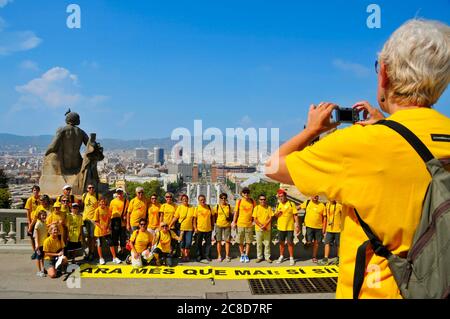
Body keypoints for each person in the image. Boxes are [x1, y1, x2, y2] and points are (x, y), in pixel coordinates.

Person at [265, 19, 450, 298]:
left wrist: (313, 129)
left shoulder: (361, 145)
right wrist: (390, 123)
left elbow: (272, 166)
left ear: (384, 73)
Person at [274, 189, 299, 265]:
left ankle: (291, 257)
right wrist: (277, 213)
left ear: (285, 196)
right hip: (280, 227)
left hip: (289, 227)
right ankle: (281, 256)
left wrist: (297, 225)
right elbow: (275, 216)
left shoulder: (291, 204)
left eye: (282, 196)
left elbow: (295, 215)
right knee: (281, 243)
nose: (281, 198)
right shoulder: (278, 204)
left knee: (290, 243)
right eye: (279, 197)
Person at [94, 198, 121, 265]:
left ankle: (114, 257)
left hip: (106, 230)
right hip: (99, 230)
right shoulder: (97, 210)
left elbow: (109, 219)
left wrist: (108, 226)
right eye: (101, 202)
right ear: (99, 203)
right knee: (99, 244)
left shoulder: (108, 209)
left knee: (110, 243)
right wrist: (102, 227)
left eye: (104, 202)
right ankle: (101, 258)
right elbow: (96, 221)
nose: (102, 203)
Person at [232, 187, 256, 263]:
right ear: (242, 194)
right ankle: (242, 254)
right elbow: (236, 213)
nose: (246, 194)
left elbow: (255, 212)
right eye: (244, 193)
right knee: (240, 241)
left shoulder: (252, 201)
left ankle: (246, 255)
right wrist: (234, 222)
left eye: (247, 192)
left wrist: (254, 221)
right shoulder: (239, 202)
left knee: (248, 241)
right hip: (240, 224)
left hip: (249, 224)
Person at [299, 195, 325, 263]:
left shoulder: (322, 205)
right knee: (309, 241)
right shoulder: (307, 202)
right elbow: (298, 207)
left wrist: (324, 228)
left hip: (319, 227)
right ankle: (307, 244)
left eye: (317, 196)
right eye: (314, 196)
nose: (315, 197)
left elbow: (325, 217)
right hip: (309, 226)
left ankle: (314, 256)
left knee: (316, 243)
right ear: (311, 196)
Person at [170, 194, 194, 262]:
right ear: (181, 201)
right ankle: (183, 256)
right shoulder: (180, 207)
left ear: (188, 199)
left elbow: (194, 218)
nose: (185, 200)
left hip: (189, 228)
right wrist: (170, 225)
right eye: (183, 199)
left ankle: (187, 255)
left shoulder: (192, 207)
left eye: (186, 199)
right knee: (182, 243)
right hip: (181, 229)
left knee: (188, 243)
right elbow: (175, 217)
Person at [319, 200, 343, 265]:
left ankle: (339, 258)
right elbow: (325, 216)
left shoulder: (339, 205)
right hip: (329, 229)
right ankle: (325, 259)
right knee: (327, 243)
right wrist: (324, 228)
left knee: (338, 245)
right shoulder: (327, 205)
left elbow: (344, 215)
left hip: (338, 229)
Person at [193, 194, 215, 262]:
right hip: (199, 229)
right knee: (198, 243)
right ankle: (199, 256)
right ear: (198, 201)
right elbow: (194, 219)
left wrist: (212, 225)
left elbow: (213, 217)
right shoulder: (197, 208)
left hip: (208, 229)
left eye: (203, 199)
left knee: (208, 244)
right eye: (201, 200)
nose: (203, 201)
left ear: (205, 199)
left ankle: (207, 256)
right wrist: (195, 228)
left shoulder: (209, 207)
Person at [253, 194, 274, 263]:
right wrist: (261, 225)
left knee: (267, 244)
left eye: (264, 199)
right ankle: (259, 257)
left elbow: (270, 218)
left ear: (266, 200)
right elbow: (255, 219)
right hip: (258, 229)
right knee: (259, 244)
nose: (263, 201)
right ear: (259, 200)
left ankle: (267, 257)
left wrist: (265, 225)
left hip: (267, 228)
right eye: (261, 199)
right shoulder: (256, 208)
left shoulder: (269, 208)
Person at [109, 188, 128, 260]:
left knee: (123, 238)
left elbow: (127, 212)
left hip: (122, 221)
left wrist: (126, 217)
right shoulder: (112, 201)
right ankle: (116, 253)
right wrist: (110, 223)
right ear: (116, 193)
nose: (119, 194)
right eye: (118, 192)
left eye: (120, 192)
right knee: (115, 238)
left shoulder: (126, 201)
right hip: (114, 221)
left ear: (123, 193)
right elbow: (110, 212)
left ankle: (122, 252)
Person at [213, 193, 232, 262]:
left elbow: (231, 215)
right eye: (222, 198)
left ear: (226, 199)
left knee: (227, 241)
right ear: (220, 199)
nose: (223, 199)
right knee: (218, 241)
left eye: (224, 198)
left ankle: (227, 256)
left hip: (227, 225)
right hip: (219, 225)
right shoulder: (217, 207)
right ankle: (219, 255)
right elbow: (214, 215)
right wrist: (214, 223)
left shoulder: (229, 206)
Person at [82, 184, 98, 260]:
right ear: (87, 189)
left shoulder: (97, 196)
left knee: (92, 237)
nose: (91, 189)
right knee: (85, 237)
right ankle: (87, 252)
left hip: (93, 220)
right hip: (85, 219)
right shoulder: (84, 195)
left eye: (92, 187)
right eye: (89, 188)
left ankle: (91, 252)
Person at [25, 185, 40, 259]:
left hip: (40, 221)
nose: (36, 192)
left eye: (37, 190)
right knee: (32, 237)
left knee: (38, 237)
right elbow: (28, 212)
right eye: (34, 190)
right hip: (32, 221)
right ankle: (34, 251)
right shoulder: (30, 200)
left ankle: (38, 251)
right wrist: (29, 222)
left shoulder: (41, 199)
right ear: (32, 191)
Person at [33, 210, 48, 277]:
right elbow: (36, 235)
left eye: (45, 215)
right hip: (39, 244)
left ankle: (43, 269)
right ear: (39, 216)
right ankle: (39, 271)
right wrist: (36, 244)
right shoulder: (38, 223)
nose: (44, 216)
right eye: (42, 215)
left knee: (42, 257)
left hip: (43, 244)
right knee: (38, 258)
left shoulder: (44, 223)